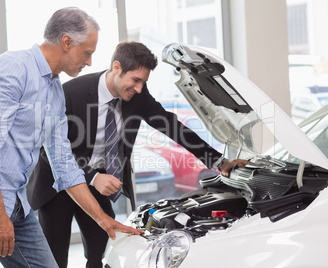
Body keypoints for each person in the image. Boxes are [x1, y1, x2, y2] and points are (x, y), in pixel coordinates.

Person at [0, 7, 141, 268]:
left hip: (14, 199)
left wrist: (104, 220)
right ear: (67, 42)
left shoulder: (55, 91)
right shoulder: (13, 68)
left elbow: (65, 166)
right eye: (88, 53)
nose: (90, 62)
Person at [27, 41, 249, 268]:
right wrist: (92, 176)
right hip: (57, 186)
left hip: (97, 186)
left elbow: (172, 126)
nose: (140, 88)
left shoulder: (137, 97)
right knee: (54, 261)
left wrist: (219, 161)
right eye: (135, 80)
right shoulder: (70, 92)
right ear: (116, 68)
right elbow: (49, 150)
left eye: (144, 82)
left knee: (104, 249)